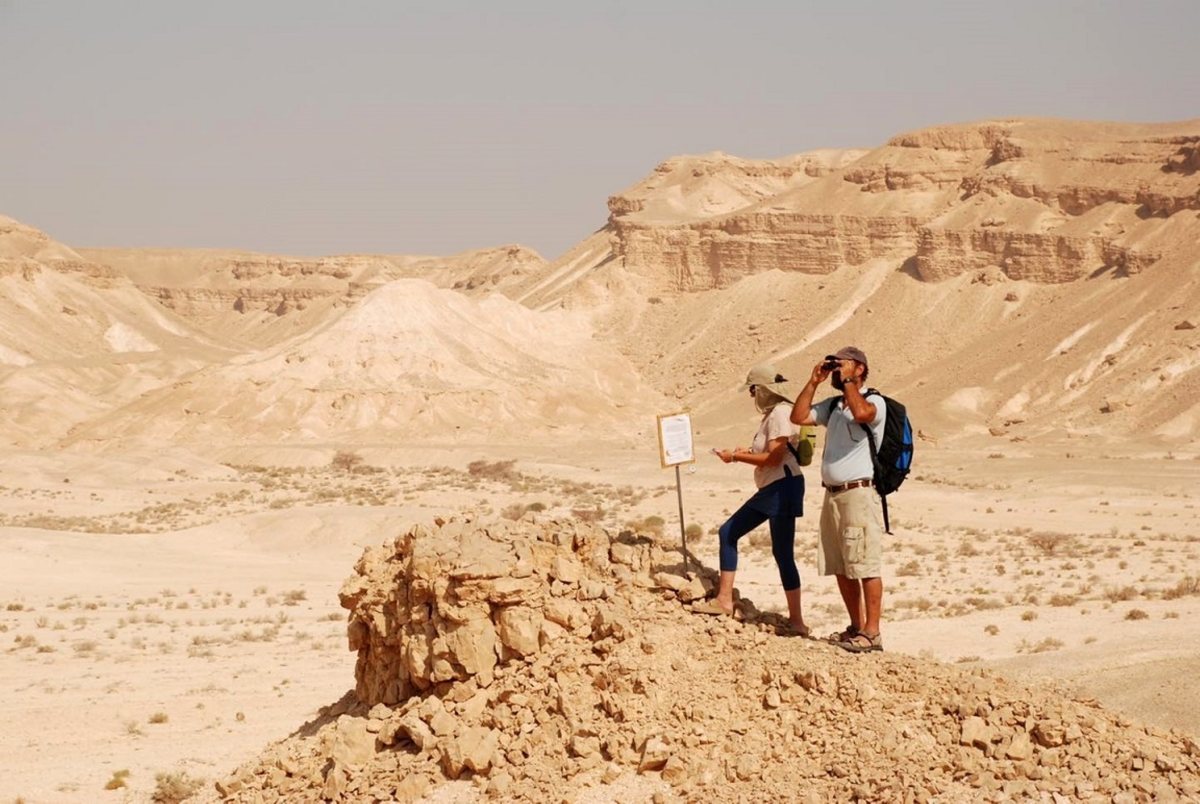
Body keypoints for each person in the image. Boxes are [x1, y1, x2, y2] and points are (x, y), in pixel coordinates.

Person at [695, 364, 809, 637]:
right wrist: (745, 452)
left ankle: (724, 600)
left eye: (753, 390)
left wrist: (735, 457)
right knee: (783, 554)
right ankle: (797, 622)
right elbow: (771, 453)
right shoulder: (776, 414)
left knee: (728, 532)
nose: (751, 396)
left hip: (780, 487)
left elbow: (774, 458)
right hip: (782, 486)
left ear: (763, 389)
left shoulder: (779, 413)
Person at [790, 346, 886, 653]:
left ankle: (872, 633)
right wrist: (814, 381)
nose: (836, 370)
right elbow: (799, 416)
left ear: (859, 369)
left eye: (842, 364)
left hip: (858, 494)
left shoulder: (874, 401)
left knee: (864, 563)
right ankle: (857, 626)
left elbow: (862, 415)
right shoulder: (833, 406)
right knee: (841, 564)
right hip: (832, 494)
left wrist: (847, 382)